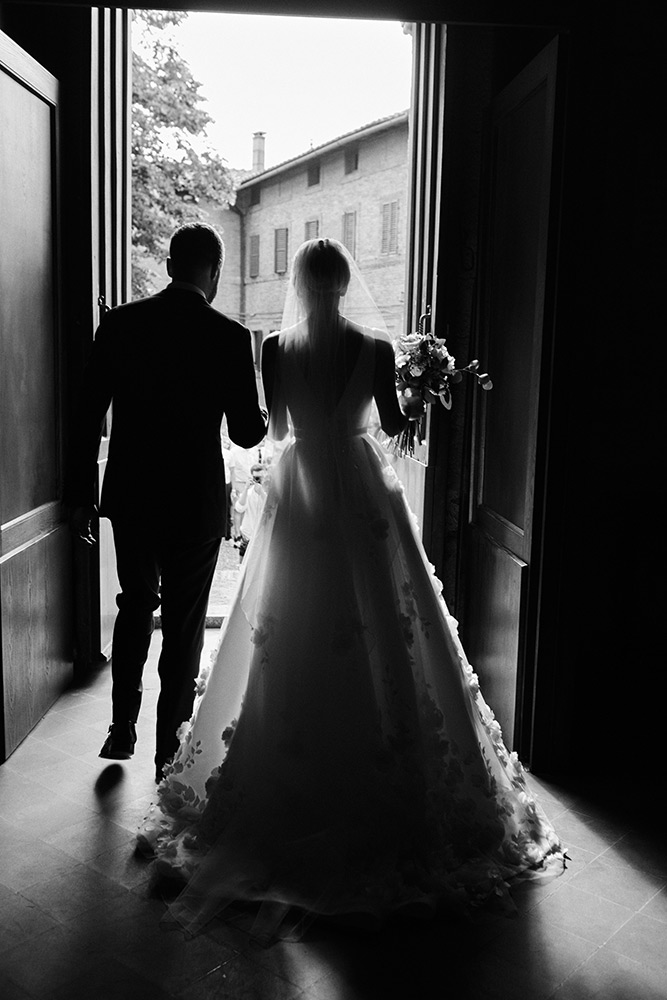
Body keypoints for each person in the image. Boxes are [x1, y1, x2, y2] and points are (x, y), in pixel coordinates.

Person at [139, 238, 564, 941]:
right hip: (363, 496)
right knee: (383, 622)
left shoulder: (273, 346)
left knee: (286, 624)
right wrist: (418, 394)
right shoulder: (374, 347)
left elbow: (272, 428)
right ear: (344, 284)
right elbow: (395, 428)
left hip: (300, 493)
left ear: (301, 285)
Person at [66, 223, 267, 781]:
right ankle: (167, 753)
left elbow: (86, 416)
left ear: (172, 264)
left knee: (134, 605)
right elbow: (249, 433)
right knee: (183, 626)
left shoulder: (122, 324)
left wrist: (81, 496)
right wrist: (268, 414)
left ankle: (121, 727)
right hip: (194, 503)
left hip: (132, 495)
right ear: (215, 271)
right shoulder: (229, 335)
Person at [234, 462, 267, 561]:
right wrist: (246, 489)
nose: (259, 480)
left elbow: (271, 507)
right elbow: (239, 508)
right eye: (256, 478)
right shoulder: (249, 492)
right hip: (248, 534)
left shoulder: (270, 491)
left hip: (263, 535)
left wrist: (261, 493)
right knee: (242, 562)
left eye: (260, 477)